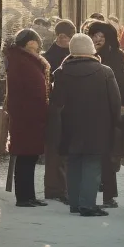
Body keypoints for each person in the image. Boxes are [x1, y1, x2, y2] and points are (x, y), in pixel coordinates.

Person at [47, 33, 122, 218]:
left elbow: (56, 102)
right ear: (91, 49)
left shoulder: (61, 73)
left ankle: (74, 203)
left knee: (73, 163)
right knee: (92, 163)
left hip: (69, 126)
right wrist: (116, 125)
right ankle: (87, 205)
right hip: (98, 127)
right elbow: (115, 102)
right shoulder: (105, 72)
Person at [4, 29, 51, 208]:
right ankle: (23, 197)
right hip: (26, 116)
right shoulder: (22, 61)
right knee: (25, 156)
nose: (38, 46)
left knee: (29, 157)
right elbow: (30, 89)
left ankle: (28, 195)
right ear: (28, 43)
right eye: (35, 42)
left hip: (29, 115)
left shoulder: (23, 60)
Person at [87, 19, 124, 208]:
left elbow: (119, 82)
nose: (98, 39)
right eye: (95, 36)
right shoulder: (85, 54)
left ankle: (108, 194)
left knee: (107, 156)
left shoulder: (117, 56)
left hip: (109, 111)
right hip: (89, 111)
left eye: (102, 36)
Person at [41, 20, 74, 203]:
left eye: (65, 36)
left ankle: (63, 187)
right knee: (55, 151)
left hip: (65, 108)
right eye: (60, 35)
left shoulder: (73, 54)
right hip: (55, 108)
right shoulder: (49, 56)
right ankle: (55, 189)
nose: (62, 39)